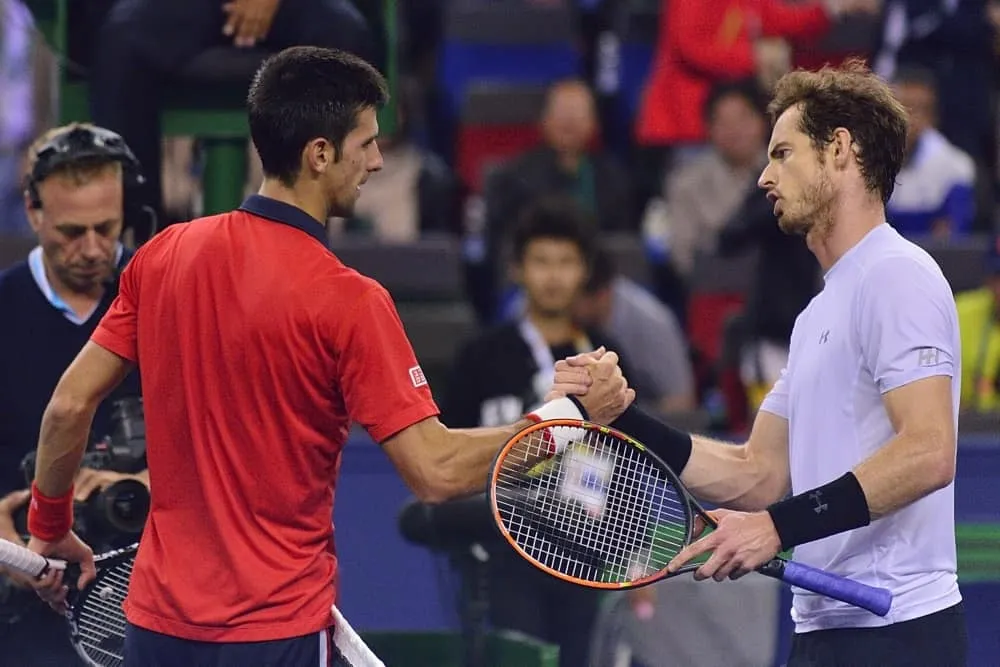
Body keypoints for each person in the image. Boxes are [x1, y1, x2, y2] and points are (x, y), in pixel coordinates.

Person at [22, 47, 634, 667]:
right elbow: (439, 471)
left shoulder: (164, 254)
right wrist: (568, 417)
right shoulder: (350, 301)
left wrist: (48, 525)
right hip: (274, 636)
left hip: (156, 630)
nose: (374, 160)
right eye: (365, 143)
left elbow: (70, 405)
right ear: (320, 154)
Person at [551, 59, 967, 666]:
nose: (764, 178)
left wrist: (777, 527)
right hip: (825, 632)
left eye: (782, 153)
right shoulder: (815, 317)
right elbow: (758, 474)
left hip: (900, 630)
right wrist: (623, 417)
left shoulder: (898, 275)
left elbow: (930, 451)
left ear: (840, 150)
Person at [442, 195, 626, 667]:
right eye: (540, 261)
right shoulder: (480, 359)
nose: (553, 275)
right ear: (517, 270)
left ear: (585, 271)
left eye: (565, 262)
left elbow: (632, 462)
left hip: (586, 555)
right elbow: (452, 453)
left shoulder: (607, 362)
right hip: (500, 551)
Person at [0, 123, 148, 666]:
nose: (92, 249)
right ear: (33, 211)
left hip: (154, 599)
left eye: (106, 228)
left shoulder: (169, 299)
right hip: (21, 607)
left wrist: (145, 484)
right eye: (71, 231)